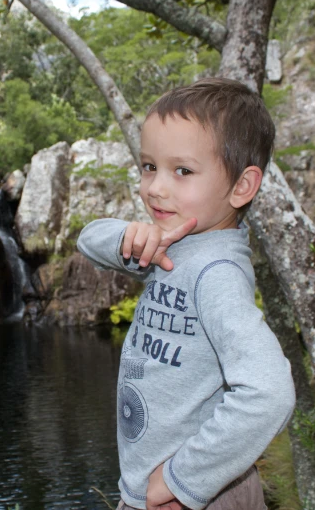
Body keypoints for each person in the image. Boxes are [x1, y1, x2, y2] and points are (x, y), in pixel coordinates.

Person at [76, 78, 296, 510]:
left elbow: (270, 391)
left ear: (242, 187)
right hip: (153, 489)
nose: (155, 188)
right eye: (148, 166)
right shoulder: (178, 244)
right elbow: (88, 239)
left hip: (194, 496)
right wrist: (130, 236)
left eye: (183, 171)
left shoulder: (214, 273)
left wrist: (181, 480)